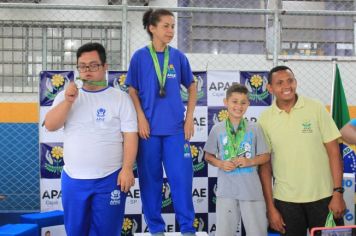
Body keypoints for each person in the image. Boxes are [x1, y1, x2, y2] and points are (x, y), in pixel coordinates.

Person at [44, 42, 138, 236]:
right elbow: (51, 125)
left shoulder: (120, 98)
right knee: (76, 231)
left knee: (107, 232)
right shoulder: (66, 95)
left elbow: (130, 135)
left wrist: (127, 168)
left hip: (110, 178)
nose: (87, 71)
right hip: (73, 179)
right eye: (82, 66)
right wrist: (69, 101)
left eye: (93, 65)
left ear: (105, 67)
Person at [125, 8, 197, 236]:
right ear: (152, 28)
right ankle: (156, 229)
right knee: (150, 183)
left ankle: (187, 229)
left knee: (182, 182)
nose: (171, 30)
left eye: (173, 26)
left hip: (176, 131)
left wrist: (189, 118)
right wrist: (140, 117)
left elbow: (192, 86)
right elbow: (132, 89)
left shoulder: (178, 57)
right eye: (166, 25)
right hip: (149, 133)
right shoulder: (139, 56)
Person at [258, 65, 346, 236]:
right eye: (280, 82)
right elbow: (265, 166)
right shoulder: (265, 118)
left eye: (290, 80)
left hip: (325, 198)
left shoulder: (316, 108)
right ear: (270, 88)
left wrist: (338, 193)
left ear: (296, 82)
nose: (286, 86)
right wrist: (270, 207)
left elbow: (334, 152)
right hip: (285, 202)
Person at [204, 84, 270, 236]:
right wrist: (221, 163)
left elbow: (265, 156)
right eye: (234, 101)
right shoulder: (217, 129)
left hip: (252, 191)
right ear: (225, 102)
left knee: (257, 232)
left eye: (243, 102)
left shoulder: (255, 128)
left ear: (248, 104)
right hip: (226, 192)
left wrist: (249, 161)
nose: (238, 106)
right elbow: (208, 156)